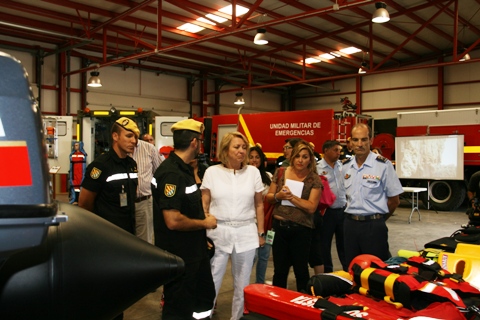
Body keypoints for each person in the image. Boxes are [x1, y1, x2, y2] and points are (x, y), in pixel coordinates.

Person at [151, 118, 217, 320]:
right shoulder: (172, 174)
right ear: (194, 142)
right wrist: (205, 223)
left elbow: (186, 207)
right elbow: (173, 220)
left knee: (202, 299)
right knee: (179, 305)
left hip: (194, 250)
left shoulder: (185, 168)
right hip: (180, 255)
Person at [78, 117, 139, 320]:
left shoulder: (132, 165)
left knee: (119, 291)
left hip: (126, 237)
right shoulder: (100, 166)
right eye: (129, 136)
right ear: (115, 136)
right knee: (105, 291)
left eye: (136, 137)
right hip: (105, 240)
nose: (134, 141)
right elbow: (84, 204)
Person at [201, 132, 265, 320]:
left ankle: (237, 318)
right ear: (225, 150)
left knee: (242, 283)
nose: (241, 151)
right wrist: (203, 229)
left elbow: (259, 204)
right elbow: (204, 203)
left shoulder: (253, 172)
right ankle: (206, 315)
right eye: (236, 147)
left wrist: (261, 233)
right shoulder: (212, 172)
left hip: (246, 232)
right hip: (217, 232)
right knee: (212, 280)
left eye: (244, 147)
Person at [342, 123, 403, 266]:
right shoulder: (345, 166)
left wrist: (379, 220)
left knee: (376, 271)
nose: (360, 144)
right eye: (356, 140)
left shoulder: (383, 165)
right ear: (350, 142)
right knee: (351, 268)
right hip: (350, 226)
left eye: (364, 139)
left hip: (373, 227)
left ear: (371, 140)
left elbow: (394, 201)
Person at [266, 140, 322, 292]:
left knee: (301, 271)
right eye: (298, 156)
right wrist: (278, 196)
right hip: (279, 229)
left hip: (301, 230)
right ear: (292, 157)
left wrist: (291, 198)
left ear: (310, 159)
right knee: (280, 271)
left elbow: (311, 207)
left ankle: (301, 307)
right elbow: (269, 197)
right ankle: (278, 304)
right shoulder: (281, 172)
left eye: (305, 157)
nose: (300, 160)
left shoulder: (314, 179)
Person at [317, 140, 348, 272]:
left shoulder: (342, 166)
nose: (339, 153)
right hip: (326, 212)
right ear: (326, 150)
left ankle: (347, 270)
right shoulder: (317, 168)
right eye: (336, 150)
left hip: (343, 210)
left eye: (339, 150)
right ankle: (328, 273)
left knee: (345, 244)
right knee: (325, 244)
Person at [249, 144, 273, 284]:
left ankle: (260, 284)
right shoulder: (243, 176)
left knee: (264, 257)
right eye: (251, 157)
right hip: (252, 222)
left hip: (268, 223)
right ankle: (244, 286)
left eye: (257, 157)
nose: (254, 160)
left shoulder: (268, 176)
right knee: (251, 257)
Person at [132, 139, 162, 244]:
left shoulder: (149, 149)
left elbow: (159, 172)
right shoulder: (120, 150)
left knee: (145, 242)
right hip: (123, 205)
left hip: (144, 201)